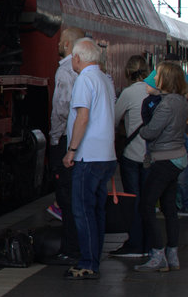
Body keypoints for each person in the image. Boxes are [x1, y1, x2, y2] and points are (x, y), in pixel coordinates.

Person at [61, 37, 116, 280]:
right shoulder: (105, 78)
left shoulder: (85, 79)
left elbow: (82, 117)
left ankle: (88, 263)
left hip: (88, 156)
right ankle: (93, 259)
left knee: (82, 211)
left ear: (77, 58)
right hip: (106, 155)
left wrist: (71, 150)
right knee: (96, 211)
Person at [134, 61, 188, 273]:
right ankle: (172, 254)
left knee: (146, 205)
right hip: (177, 157)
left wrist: (142, 130)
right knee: (169, 207)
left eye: (158, 75)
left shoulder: (166, 105)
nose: (155, 78)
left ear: (166, 79)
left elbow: (150, 132)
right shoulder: (181, 101)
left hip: (165, 159)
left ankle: (158, 255)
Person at [47, 26, 84, 257]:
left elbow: (62, 109)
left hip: (64, 139)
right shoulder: (89, 72)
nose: (59, 43)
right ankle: (78, 245)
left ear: (68, 44)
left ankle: (71, 248)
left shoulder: (65, 70)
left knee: (65, 195)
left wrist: (54, 138)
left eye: (61, 40)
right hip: (77, 140)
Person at [111, 55, 150, 258]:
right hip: (150, 156)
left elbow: (114, 119)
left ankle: (135, 243)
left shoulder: (128, 93)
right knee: (148, 200)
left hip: (132, 155)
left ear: (128, 72)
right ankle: (149, 243)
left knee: (133, 200)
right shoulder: (153, 91)